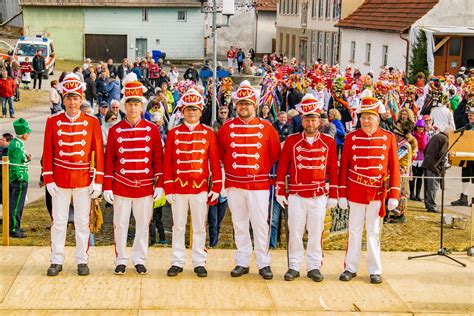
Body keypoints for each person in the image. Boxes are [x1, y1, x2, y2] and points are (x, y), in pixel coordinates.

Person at [42, 73, 104, 276]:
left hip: (84, 179)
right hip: (59, 180)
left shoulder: (92, 122)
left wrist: (98, 181)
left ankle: (82, 260)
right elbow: (47, 152)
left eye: (75, 97)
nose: (72, 102)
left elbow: (98, 153)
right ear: (63, 98)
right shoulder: (53, 121)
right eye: (68, 97)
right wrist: (48, 177)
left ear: (81, 98)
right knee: (58, 222)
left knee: (82, 222)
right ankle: (56, 260)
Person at [218, 80, 281, 280]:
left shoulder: (267, 128)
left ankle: (263, 262)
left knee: (261, 224)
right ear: (236, 105)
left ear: (255, 105)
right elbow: (221, 154)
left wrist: (258, 171)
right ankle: (242, 261)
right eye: (241, 103)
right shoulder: (227, 128)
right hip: (235, 184)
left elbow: (274, 154)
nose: (244, 107)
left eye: (248, 103)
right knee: (239, 223)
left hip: (259, 184)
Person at [103, 73, 164, 275]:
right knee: (119, 224)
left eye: (136, 104)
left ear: (142, 106)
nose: (133, 108)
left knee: (143, 225)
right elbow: (109, 160)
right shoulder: (115, 130)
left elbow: (158, 159)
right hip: (121, 185)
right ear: (124, 106)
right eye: (129, 104)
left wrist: (161, 184)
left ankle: (139, 258)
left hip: (145, 186)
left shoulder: (153, 130)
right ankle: (120, 258)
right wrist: (107, 186)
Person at [275, 94, 338, 282]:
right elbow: (282, 166)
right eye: (307, 119)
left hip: (318, 195)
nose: (311, 123)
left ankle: (313, 266)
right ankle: (294, 266)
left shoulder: (328, 141)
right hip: (296, 194)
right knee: (294, 231)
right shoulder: (292, 141)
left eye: (314, 119)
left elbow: (333, 170)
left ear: (319, 121)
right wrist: (280, 190)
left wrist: (333, 194)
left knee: (316, 232)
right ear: (302, 120)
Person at [338, 97, 400, 284]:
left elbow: (394, 168)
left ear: (377, 119)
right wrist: (342, 193)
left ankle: (375, 269)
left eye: (370, 117)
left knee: (373, 232)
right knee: (354, 230)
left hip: (377, 193)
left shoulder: (388, 138)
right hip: (356, 191)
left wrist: (394, 193)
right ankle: (351, 267)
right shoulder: (351, 138)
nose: (366, 121)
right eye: (363, 117)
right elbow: (344, 168)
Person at [164, 88, 222, 278]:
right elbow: (168, 162)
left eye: (195, 109)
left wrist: (216, 187)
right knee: (178, 226)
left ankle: (199, 261)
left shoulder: (208, 133)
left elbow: (214, 161)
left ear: (200, 111)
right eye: (188, 109)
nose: (191, 112)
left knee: (199, 226)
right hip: (179, 188)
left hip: (199, 188)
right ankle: (177, 261)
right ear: (182, 111)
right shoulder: (173, 133)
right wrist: (168, 186)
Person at [8, 118, 32, 238]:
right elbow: (14, 162)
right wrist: (20, 176)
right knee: (16, 204)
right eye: (28, 133)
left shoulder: (18, 143)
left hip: (20, 178)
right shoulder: (17, 144)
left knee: (18, 204)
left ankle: (16, 225)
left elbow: (19, 159)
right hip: (19, 180)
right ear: (23, 134)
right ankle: (13, 228)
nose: (28, 135)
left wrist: (26, 159)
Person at [422, 124, 452, 213]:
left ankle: (428, 204)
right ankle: (431, 206)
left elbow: (425, 149)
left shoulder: (436, 136)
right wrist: (444, 166)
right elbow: (442, 155)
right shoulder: (445, 139)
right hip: (434, 166)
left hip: (427, 163)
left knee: (427, 186)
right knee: (432, 187)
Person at [451, 107, 474, 207]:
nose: (469, 116)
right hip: (466, 154)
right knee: (465, 174)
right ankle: (464, 197)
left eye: (472, 115)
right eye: (469, 114)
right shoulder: (468, 126)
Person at [410, 119, 429, 201]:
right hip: (414, 159)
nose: (420, 129)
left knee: (420, 177)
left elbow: (427, 147)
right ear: (416, 127)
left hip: (422, 159)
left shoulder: (426, 136)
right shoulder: (412, 135)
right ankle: (412, 194)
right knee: (413, 177)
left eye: (422, 127)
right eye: (419, 127)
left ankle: (418, 194)